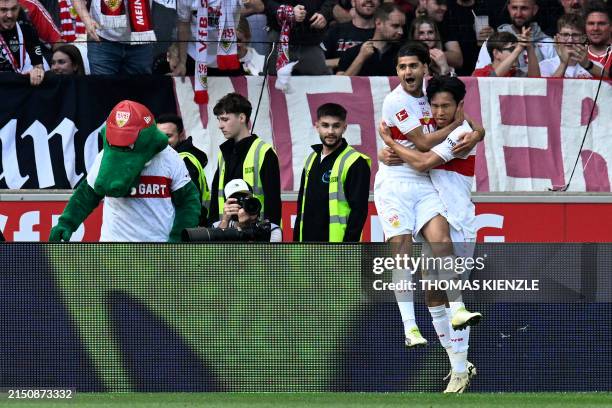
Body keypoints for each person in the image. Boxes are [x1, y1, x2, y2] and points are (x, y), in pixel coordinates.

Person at [374, 42, 483, 350]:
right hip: (395, 185)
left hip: (425, 184)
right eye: (401, 67)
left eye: (412, 66)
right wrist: (465, 128)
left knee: (442, 243)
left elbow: (432, 144)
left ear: (425, 68)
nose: (407, 72)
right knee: (403, 254)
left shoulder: (430, 99)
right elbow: (422, 146)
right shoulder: (395, 101)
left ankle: (459, 309)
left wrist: (476, 131)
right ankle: (410, 327)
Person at [49, 100, 201, 242]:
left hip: (157, 247)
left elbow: (188, 201)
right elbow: (86, 195)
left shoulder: (169, 158)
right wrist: (66, 223)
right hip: (115, 246)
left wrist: (178, 238)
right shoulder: (106, 157)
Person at [294, 103, 371, 242]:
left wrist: (347, 249)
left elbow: (359, 212)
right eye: (325, 125)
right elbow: (301, 206)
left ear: (344, 127)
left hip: (337, 249)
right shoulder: (310, 160)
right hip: (306, 246)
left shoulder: (355, 162)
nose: (330, 131)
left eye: (336, 126)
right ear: (317, 126)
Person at [208, 93, 282, 229]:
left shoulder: (264, 152)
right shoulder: (224, 153)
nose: (220, 125)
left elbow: (273, 204)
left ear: (242, 117)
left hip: (256, 236)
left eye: (225, 119)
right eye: (219, 120)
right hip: (225, 234)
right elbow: (215, 200)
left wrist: (271, 238)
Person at [71, 0, 155, 74]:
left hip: (140, 40)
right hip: (102, 39)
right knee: (102, 89)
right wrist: (87, 20)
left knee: (139, 89)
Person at [475, 0, 556, 75]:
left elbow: (549, 82)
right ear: (509, 8)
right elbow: (481, 82)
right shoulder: (493, 41)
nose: (518, 14)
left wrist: (529, 47)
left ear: (534, 10)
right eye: (514, 8)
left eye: (524, 8)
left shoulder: (548, 43)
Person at [157, 113, 210, 226]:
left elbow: (189, 205)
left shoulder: (183, 161)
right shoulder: (174, 158)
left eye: (168, 136)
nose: (163, 141)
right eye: (159, 136)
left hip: (188, 232)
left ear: (181, 136)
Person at [263, 0, 335, 75]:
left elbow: (330, 2)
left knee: (318, 83)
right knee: (274, 83)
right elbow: (263, 3)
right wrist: (286, 11)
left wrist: (324, 13)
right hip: (280, 40)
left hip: (312, 40)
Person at [337, 3, 405, 76]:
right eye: (395, 26)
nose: (401, 32)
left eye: (402, 27)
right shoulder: (352, 52)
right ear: (378, 23)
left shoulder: (405, 53)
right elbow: (341, 84)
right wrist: (361, 58)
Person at [215, 178, 282, 242]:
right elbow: (214, 251)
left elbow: (261, 253)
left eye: (245, 199)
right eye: (236, 201)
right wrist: (225, 221)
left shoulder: (270, 229)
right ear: (227, 205)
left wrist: (247, 227)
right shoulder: (217, 226)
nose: (242, 205)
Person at [539, 13, 604, 78]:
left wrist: (587, 65)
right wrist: (563, 64)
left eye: (575, 35)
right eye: (565, 35)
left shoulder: (596, 66)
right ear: (558, 38)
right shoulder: (545, 65)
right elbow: (549, 87)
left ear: (583, 39)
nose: (570, 40)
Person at [323, 0, 380, 72]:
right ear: (353, 2)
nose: (369, 0)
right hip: (340, 82)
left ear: (379, 3)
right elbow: (320, 63)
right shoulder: (335, 31)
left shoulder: (383, 34)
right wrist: (348, 60)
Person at [0, 0, 45, 85]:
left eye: (14, 9)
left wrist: (37, 72)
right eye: (3, 10)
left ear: (19, 7)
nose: (10, 15)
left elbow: (38, 65)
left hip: (18, 89)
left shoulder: (27, 30)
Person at [417, 0, 463, 69]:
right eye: (439, 3)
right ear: (423, 2)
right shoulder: (407, 19)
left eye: (445, 4)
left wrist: (430, 54)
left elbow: (458, 59)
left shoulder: (445, 22)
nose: (444, 8)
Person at [472, 30, 540, 77]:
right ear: (496, 53)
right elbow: (492, 80)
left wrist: (529, 47)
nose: (517, 54)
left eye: (518, 50)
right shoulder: (479, 73)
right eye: (512, 49)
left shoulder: (516, 73)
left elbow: (535, 81)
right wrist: (518, 49)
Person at [584, 1, 611, 75]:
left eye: (601, 23)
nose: (595, 28)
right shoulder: (575, 54)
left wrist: (587, 64)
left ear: (611, 27)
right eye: (591, 23)